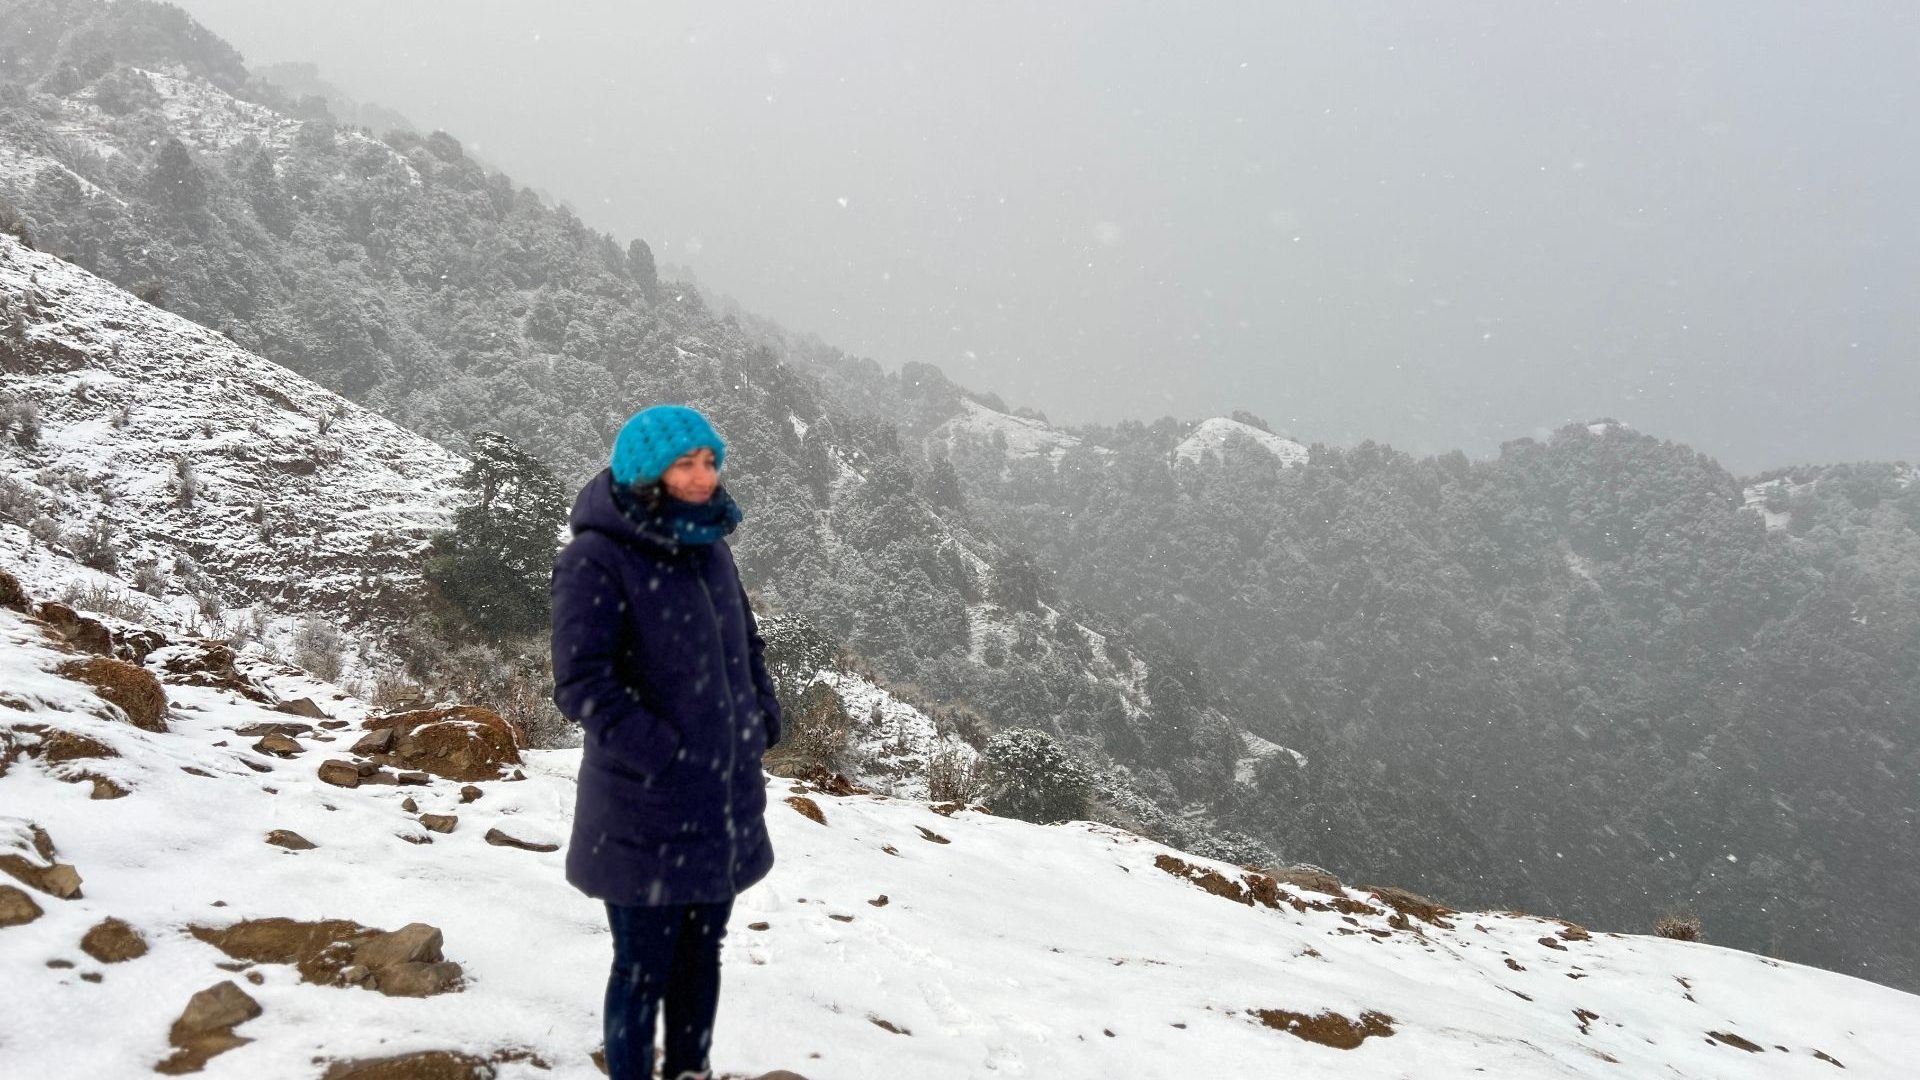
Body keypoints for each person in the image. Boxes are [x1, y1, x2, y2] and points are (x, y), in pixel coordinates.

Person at [550, 403, 782, 1080]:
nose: (705, 476)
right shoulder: (596, 559)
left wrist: (761, 717)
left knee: (701, 956)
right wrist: (665, 753)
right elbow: (582, 683)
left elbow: (748, 645)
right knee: (641, 968)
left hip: (721, 803)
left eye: (711, 461)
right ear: (647, 473)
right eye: (686, 464)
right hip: (644, 811)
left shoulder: (711, 546)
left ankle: (690, 1071)